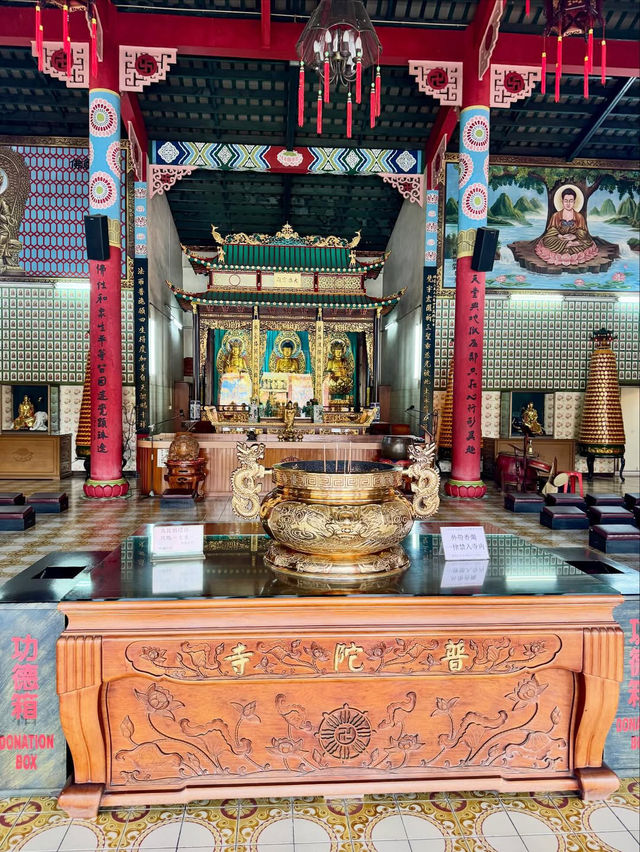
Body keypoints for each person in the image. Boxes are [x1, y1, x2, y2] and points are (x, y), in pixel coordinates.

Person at [534, 187, 599, 267]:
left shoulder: (579, 217)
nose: (568, 203)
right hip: (560, 239)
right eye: (566, 201)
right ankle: (568, 244)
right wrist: (559, 236)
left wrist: (574, 236)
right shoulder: (556, 216)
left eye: (571, 201)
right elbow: (551, 230)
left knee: (587, 241)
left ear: (574, 202)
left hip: (574, 239)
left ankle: (570, 244)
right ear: (562, 201)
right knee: (547, 240)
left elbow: (583, 232)